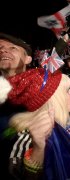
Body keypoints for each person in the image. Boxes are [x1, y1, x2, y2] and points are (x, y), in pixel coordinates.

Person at [0, 32, 33, 179]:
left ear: (27, 59)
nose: (3, 50)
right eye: (0, 48)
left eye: (12, 48)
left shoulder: (41, 92)